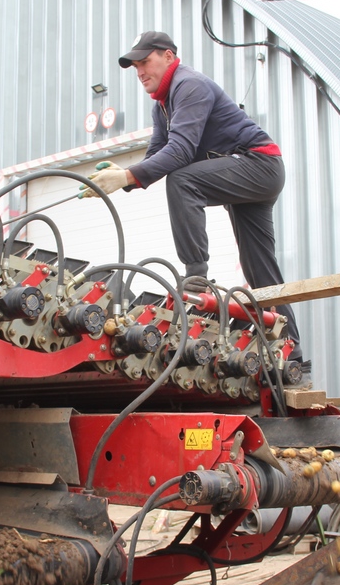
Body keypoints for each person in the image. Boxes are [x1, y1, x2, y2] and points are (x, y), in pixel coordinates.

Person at [88, 31, 304, 370]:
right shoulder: (162, 107)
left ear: (169, 57)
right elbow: (157, 154)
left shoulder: (189, 85)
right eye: (135, 66)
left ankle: (196, 276)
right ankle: (293, 358)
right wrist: (122, 175)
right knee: (260, 270)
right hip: (248, 170)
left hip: (259, 163)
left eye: (145, 61)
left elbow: (181, 152)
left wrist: (129, 177)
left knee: (184, 180)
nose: (140, 70)